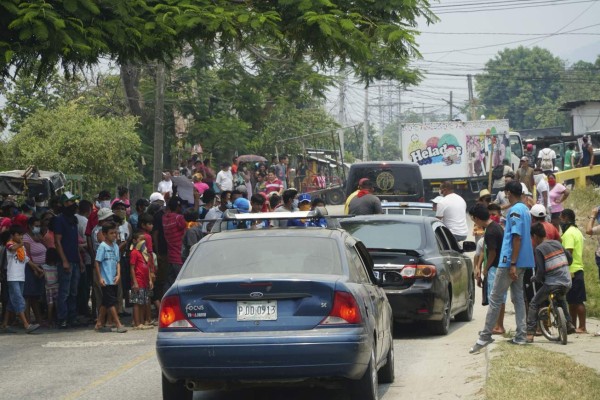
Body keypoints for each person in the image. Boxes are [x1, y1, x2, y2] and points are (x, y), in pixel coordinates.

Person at [470, 181, 534, 353]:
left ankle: (484, 336)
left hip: (509, 262)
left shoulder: (514, 211)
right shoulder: (526, 210)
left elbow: (516, 238)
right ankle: (521, 335)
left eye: (506, 193)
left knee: (496, 297)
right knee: (518, 298)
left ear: (508, 193)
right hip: (522, 261)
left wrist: (512, 263)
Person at [526, 222, 575, 343]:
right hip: (566, 281)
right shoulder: (557, 243)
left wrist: (535, 278)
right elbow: (570, 259)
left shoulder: (539, 248)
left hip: (552, 283)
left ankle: (530, 333)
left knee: (533, 303)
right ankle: (569, 323)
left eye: (532, 238)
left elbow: (541, 271)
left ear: (535, 236)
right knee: (562, 300)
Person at [469, 204, 506, 335]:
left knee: (495, 298)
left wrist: (486, 269)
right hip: (499, 266)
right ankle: (497, 325)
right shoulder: (496, 228)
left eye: (473, 219)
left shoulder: (490, 231)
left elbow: (492, 253)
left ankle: (497, 326)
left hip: (495, 267)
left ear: (477, 218)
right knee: (498, 298)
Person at [0, 225, 41, 334]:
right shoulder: (10, 244)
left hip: (20, 277)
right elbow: (12, 248)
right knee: (19, 299)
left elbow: (26, 259)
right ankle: (26, 324)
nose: (20, 237)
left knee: (13, 300)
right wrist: (21, 244)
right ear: (13, 236)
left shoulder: (21, 247)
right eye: (18, 235)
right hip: (12, 277)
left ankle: (5, 323)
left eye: (21, 235)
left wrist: (36, 268)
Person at [54, 192, 83, 329]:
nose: (73, 204)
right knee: (64, 291)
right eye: (71, 202)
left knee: (74, 291)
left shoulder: (74, 219)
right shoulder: (59, 219)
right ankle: (62, 318)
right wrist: (64, 260)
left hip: (75, 260)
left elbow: (75, 242)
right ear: (65, 204)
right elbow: (57, 242)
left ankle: (72, 317)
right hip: (66, 260)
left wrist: (81, 261)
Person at [94, 222, 127, 333]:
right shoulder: (102, 247)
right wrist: (100, 278)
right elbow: (97, 263)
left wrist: (118, 274)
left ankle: (99, 323)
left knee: (106, 301)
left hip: (113, 279)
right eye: (111, 233)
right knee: (112, 302)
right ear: (105, 234)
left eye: (115, 233)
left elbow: (118, 262)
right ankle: (118, 323)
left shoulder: (116, 247)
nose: (114, 235)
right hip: (106, 279)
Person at [560, 209, 587, 334]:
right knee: (572, 300)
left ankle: (582, 326)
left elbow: (568, 252)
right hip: (576, 269)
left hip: (573, 270)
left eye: (561, 218)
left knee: (578, 300)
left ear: (565, 218)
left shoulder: (569, 233)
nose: (560, 222)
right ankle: (574, 325)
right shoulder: (576, 231)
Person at [22, 216, 46, 326]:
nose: (38, 227)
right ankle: (27, 320)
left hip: (40, 268)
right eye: (36, 226)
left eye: (39, 226)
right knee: (28, 296)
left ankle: (38, 319)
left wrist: (40, 239)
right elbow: (27, 254)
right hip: (31, 268)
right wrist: (35, 268)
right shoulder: (26, 238)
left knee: (35, 296)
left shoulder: (38, 236)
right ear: (30, 226)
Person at [162, 196, 187, 292]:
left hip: (171, 256)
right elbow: (191, 218)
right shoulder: (178, 218)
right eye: (181, 206)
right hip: (179, 257)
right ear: (178, 207)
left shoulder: (165, 218)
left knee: (169, 283)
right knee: (182, 284)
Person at [129, 232, 153, 330]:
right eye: (140, 239)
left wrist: (150, 280)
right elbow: (132, 268)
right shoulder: (134, 252)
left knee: (143, 302)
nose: (143, 242)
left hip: (144, 281)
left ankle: (142, 322)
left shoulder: (143, 253)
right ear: (135, 241)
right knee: (137, 303)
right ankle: (137, 323)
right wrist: (135, 282)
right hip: (138, 281)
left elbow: (147, 267)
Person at [42, 248, 60, 326]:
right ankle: (59, 319)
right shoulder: (57, 267)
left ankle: (49, 321)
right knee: (57, 303)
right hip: (57, 286)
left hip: (48, 287)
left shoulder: (44, 267)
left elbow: (41, 275)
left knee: (50, 304)